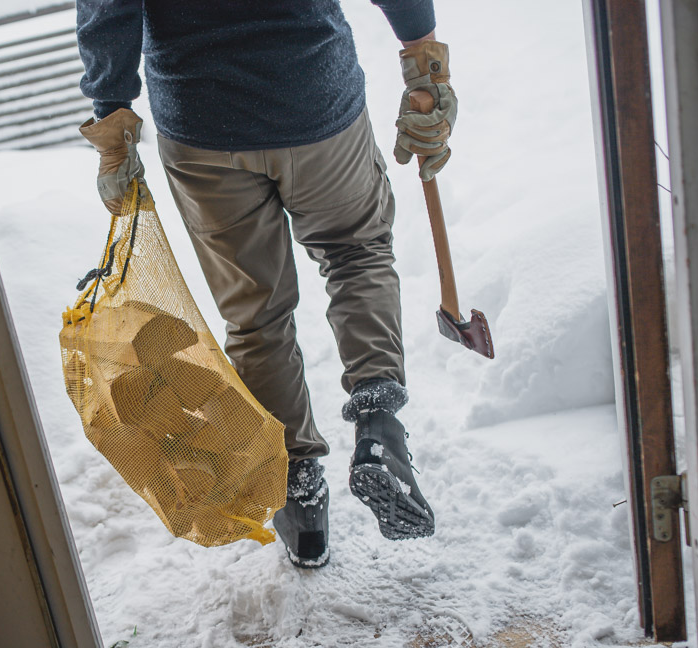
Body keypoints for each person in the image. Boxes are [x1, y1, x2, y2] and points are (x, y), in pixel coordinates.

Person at [75, 0, 456, 568]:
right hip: (314, 99)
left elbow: (109, 7)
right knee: (357, 255)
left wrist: (111, 117)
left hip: (204, 123)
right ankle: (378, 423)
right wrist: (422, 55)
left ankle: (300, 499)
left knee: (256, 315)